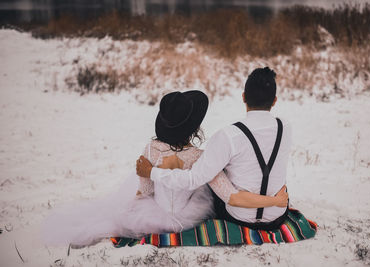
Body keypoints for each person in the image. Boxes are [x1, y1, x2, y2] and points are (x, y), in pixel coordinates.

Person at [42, 90, 288, 247]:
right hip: (187, 218)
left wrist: (129, 209)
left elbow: (145, 190)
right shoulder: (199, 156)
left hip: (153, 216)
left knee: (142, 184)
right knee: (208, 188)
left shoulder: (150, 149)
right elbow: (230, 196)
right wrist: (274, 201)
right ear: (193, 128)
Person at [136, 67, 292, 230]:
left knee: (214, 170)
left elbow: (197, 182)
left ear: (244, 97)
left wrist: (151, 172)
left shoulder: (228, 135)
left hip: (240, 217)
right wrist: (275, 201)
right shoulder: (286, 127)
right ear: (274, 100)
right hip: (277, 215)